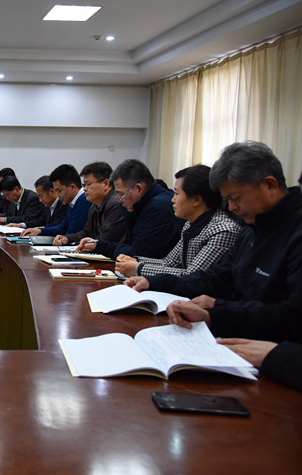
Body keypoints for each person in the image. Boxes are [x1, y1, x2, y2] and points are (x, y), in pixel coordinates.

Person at [126, 141, 302, 347]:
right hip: (238, 335)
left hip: (273, 350)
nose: (232, 207)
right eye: (227, 200)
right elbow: (215, 277)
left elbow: (291, 316)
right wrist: (153, 282)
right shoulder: (251, 228)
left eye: (235, 198)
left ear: (270, 185)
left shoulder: (293, 232)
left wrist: (218, 311)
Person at [115, 164, 241, 277]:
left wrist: (139, 268)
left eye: (176, 193)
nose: (172, 199)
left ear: (196, 199)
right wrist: (135, 260)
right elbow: (169, 262)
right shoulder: (190, 224)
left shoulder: (223, 230)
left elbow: (192, 276)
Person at [77, 159, 182, 259]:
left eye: (121, 194)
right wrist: (97, 245)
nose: (119, 200)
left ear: (138, 189)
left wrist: (100, 246)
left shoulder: (158, 207)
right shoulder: (137, 205)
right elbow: (130, 245)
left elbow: (139, 253)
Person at [52, 162, 126, 246]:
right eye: (84, 185)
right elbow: (86, 232)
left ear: (105, 184)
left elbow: (107, 238)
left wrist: (90, 244)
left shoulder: (116, 204)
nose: (84, 189)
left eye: (88, 184)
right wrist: (67, 239)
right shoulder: (94, 206)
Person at [21, 164, 91, 238]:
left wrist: (64, 239)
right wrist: (40, 231)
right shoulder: (71, 202)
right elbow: (62, 228)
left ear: (72, 187)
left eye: (59, 191)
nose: (57, 195)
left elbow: (72, 232)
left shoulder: (84, 201)